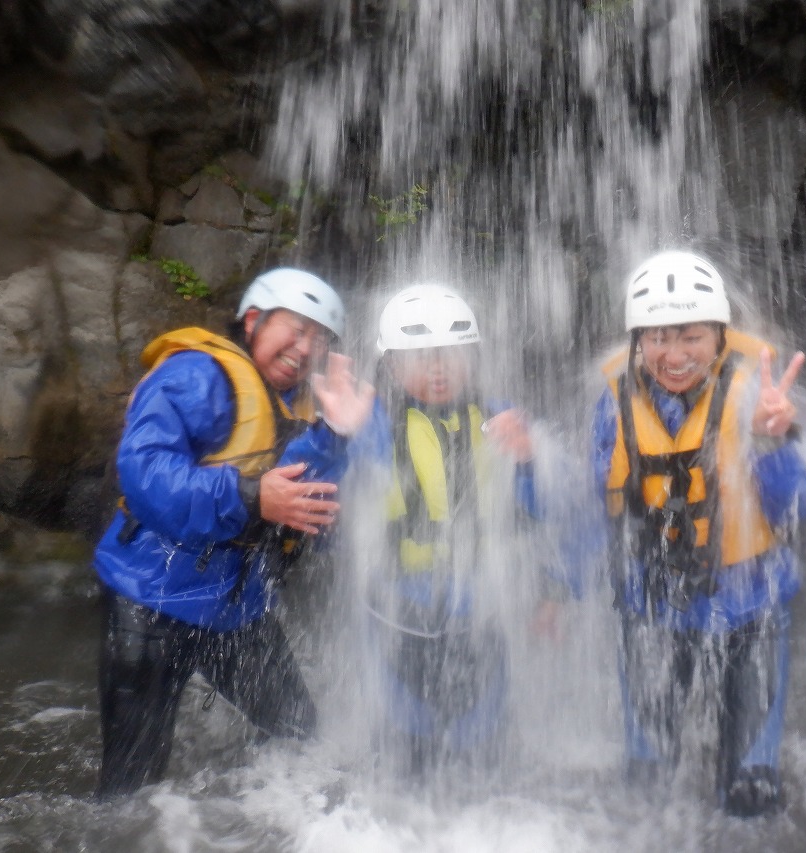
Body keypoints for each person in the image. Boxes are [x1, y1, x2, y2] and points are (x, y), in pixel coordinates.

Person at [92, 266, 374, 798]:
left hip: (235, 607)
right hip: (150, 598)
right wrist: (248, 497)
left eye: (319, 338)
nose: (305, 346)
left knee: (300, 736)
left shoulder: (302, 406)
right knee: (131, 786)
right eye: (296, 327)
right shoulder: (195, 376)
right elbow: (144, 474)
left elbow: (304, 501)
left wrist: (334, 436)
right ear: (253, 320)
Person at [591, 250, 806, 817]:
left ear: (720, 336)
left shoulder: (757, 400)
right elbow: (596, 501)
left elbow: (799, 507)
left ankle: (746, 782)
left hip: (750, 606)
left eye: (690, 337)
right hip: (655, 605)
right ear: (638, 342)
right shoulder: (614, 404)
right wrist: (554, 587)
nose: (674, 355)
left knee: (750, 797)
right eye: (658, 338)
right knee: (647, 789)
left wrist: (774, 439)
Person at [349, 282, 542, 776]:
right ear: (390, 365)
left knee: (486, 754)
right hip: (398, 612)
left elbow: (537, 514)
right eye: (420, 357)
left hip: (478, 614)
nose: (438, 369)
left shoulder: (499, 418)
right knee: (404, 756)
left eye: (451, 355)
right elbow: (330, 487)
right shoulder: (368, 422)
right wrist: (330, 434)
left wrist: (527, 464)